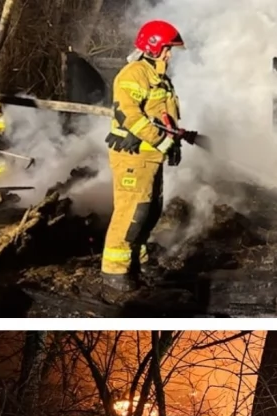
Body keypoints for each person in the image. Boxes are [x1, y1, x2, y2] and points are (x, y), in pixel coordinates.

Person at [101, 19, 188, 293]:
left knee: (149, 212)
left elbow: (164, 118)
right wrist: (160, 140)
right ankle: (114, 272)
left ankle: (136, 261)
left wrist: (173, 144)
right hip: (133, 156)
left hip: (151, 157)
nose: (169, 55)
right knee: (131, 212)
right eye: (167, 49)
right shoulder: (134, 73)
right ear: (152, 47)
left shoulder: (159, 77)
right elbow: (129, 115)